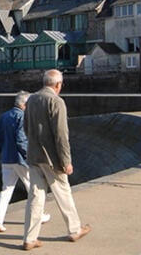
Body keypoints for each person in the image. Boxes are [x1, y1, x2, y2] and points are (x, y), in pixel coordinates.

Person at [22, 69, 91, 251]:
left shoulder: (31, 100)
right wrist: (66, 161)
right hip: (52, 158)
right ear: (58, 85)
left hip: (34, 155)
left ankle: (29, 238)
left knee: (35, 197)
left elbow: (26, 127)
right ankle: (75, 229)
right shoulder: (56, 101)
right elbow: (61, 134)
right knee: (63, 192)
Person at [0, 91, 50, 233]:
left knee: (6, 190)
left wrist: (3, 152)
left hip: (7, 158)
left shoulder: (4, 116)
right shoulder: (23, 116)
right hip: (21, 160)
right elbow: (21, 140)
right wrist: (29, 155)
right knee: (34, 188)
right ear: (24, 105)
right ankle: (39, 216)